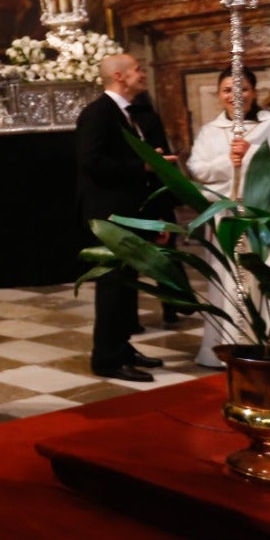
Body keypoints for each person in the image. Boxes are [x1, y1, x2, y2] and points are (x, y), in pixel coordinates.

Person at [186, 67, 270, 368]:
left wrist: (251, 156)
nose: (235, 96)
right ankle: (229, 348)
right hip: (227, 219)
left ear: (254, 92)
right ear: (219, 94)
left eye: (243, 89)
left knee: (266, 277)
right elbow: (198, 169)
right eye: (227, 90)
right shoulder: (210, 130)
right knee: (229, 279)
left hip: (265, 217)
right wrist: (229, 161)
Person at [76, 53, 178, 382]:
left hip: (131, 214)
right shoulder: (97, 113)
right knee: (112, 288)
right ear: (119, 76)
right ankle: (106, 358)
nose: (142, 73)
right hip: (109, 217)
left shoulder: (132, 113)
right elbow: (92, 164)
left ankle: (122, 346)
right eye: (137, 69)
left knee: (127, 287)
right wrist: (144, 165)